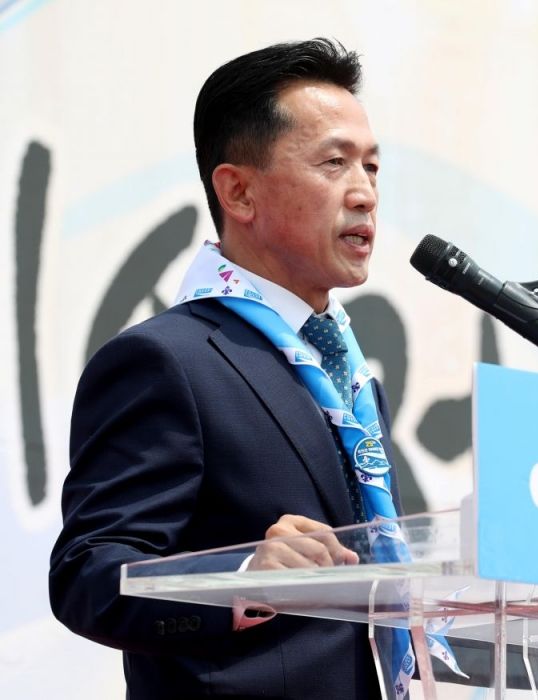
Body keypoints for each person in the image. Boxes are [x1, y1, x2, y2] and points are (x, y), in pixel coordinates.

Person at [50, 38, 400, 699]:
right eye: (335, 163)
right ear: (238, 191)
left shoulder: (350, 379)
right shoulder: (167, 361)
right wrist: (244, 579)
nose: (364, 194)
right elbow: (88, 577)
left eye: (373, 167)